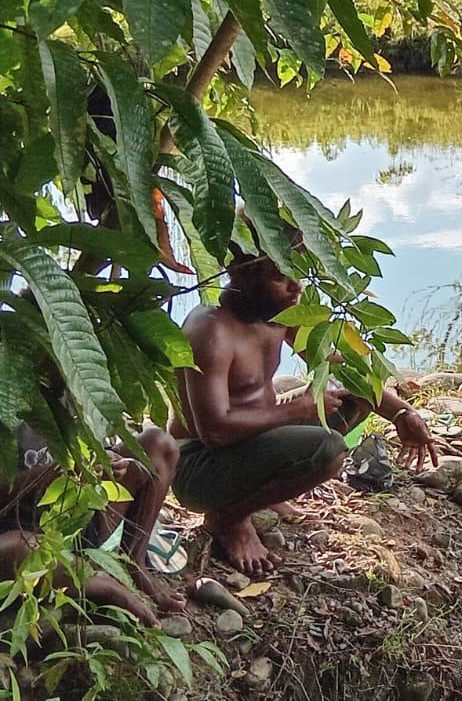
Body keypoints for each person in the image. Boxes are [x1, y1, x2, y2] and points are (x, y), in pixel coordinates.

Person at [169, 237, 439, 576]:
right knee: (327, 450)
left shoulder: (280, 314)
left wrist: (402, 413)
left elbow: (343, 367)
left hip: (253, 438)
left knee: (360, 393)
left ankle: (261, 488)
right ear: (241, 272)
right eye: (281, 276)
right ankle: (228, 517)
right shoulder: (211, 329)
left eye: (298, 273)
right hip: (198, 464)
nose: (296, 287)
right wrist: (297, 409)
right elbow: (214, 431)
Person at [0, 421, 187, 626]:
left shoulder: (71, 393)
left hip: (76, 519)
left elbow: (94, 448)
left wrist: (107, 462)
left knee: (158, 445)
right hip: (15, 536)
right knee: (22, 549)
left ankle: (134, 562)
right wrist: (54, 473)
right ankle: (103, 586)